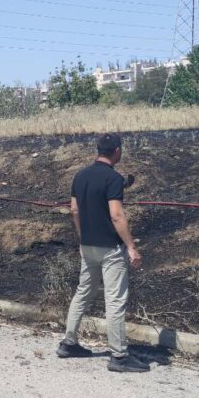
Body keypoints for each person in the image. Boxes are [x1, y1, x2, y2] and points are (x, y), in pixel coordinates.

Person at [56, 133, 150, 373]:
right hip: (110, 248)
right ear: (117, 151)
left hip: (88, 246)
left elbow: (74, 210)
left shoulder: (80, 176)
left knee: (83, 293)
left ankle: (68, 343)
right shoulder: (113, 179)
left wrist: (82, 238)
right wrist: (132, 247)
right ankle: (119, 356)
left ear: (98, 150)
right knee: (115, 300)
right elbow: (117, 215)